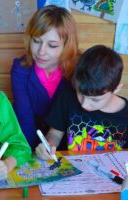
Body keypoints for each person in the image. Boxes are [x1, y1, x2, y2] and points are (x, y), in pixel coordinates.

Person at [36, 44, 128, 160]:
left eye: (95, 99)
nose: (84, 104)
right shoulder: (67, 97)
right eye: (80, 93)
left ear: (116, 89)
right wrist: (49, 145)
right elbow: (55, 133)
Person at [11, 5, 80, 151]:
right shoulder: (20, 69)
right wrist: (29, 155)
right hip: (29, 140)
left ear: (67, 46)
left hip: (67, 144)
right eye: (36, 41)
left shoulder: (78, 69)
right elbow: (24, 117)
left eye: (52, 45)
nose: (41, 51)